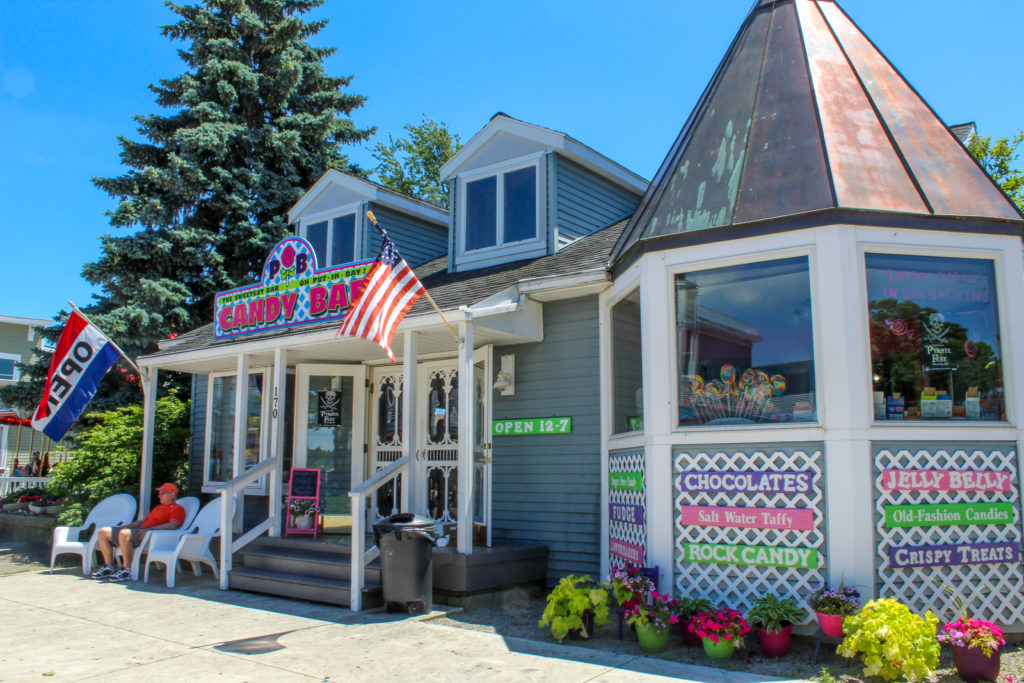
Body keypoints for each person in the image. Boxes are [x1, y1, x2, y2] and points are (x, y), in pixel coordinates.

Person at [92, 483, 186, 582]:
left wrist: (151, 530)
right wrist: (123, 527)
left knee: (124, 533)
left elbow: (174, 525)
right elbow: (141, 522)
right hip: (138, 531)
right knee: (103, 531)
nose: (159, 496)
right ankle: (108, 566)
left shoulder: (177, 509)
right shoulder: (158, 508)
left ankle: (127, 570)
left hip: (150, 536)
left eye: (162, 493)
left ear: (172, 494)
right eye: (159, 493)